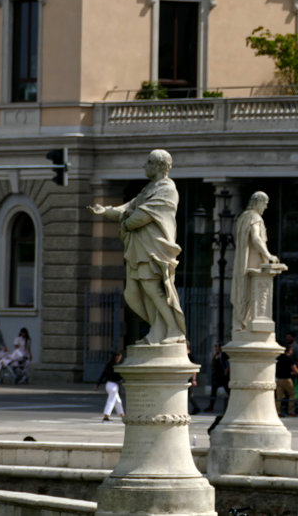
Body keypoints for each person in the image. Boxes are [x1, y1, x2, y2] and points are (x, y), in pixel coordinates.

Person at [89, 149, 185, 345]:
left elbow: (141, 216)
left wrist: (125, 223)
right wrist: (106, 211)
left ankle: (174, 330)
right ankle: (158, 331)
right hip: (141, 248)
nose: (145, 166)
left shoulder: (167, 189)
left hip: (154, 249)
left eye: (149, 163)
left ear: (159, 166)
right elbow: (128, 207)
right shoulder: (149, 188)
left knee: (152, 288)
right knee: (134, 293)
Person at [231, 192, 280, 333]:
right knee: (250, 299)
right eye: (264, 204)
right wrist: (268, 255)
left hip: (243, 265)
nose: (265, 207)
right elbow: (256, 238)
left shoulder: (242, 218)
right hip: (253, 267)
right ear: (258, 202)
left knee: (243, 297)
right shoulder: (254, 217)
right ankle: (246, 327)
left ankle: (240, 326)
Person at [95, 352, 124, 422]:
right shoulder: (116, 366)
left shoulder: (108, 364)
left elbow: (103, 374)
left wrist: (97, 384)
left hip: (108, 384)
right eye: (119, 357)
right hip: (114, 385)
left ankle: (123, 415)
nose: (120, 358)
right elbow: (118, 377)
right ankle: (106, 416)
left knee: (118, 401)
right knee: (111, 401)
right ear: (116, 357)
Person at [206, 342, 229, 413]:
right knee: (213, 392)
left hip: (223, 377)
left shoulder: (224, 355)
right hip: (216, 377)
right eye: (215, 346)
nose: (215, 348)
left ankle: (230, 405)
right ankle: (211, 406)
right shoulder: (215, 355)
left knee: (228, 391)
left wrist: (225, 372)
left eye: (216, 346)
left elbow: (227, 365)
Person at [275, 346, 298, 416]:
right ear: (288, 351)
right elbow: (296, 370)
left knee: (279, 396)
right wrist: (296, 373)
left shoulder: (278, 358)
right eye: (291, 350)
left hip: (278, 379)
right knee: (292, 394)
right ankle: (291, 411)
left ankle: (278, 411)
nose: (292, 351)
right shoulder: (289, 359)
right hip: (287, 379)